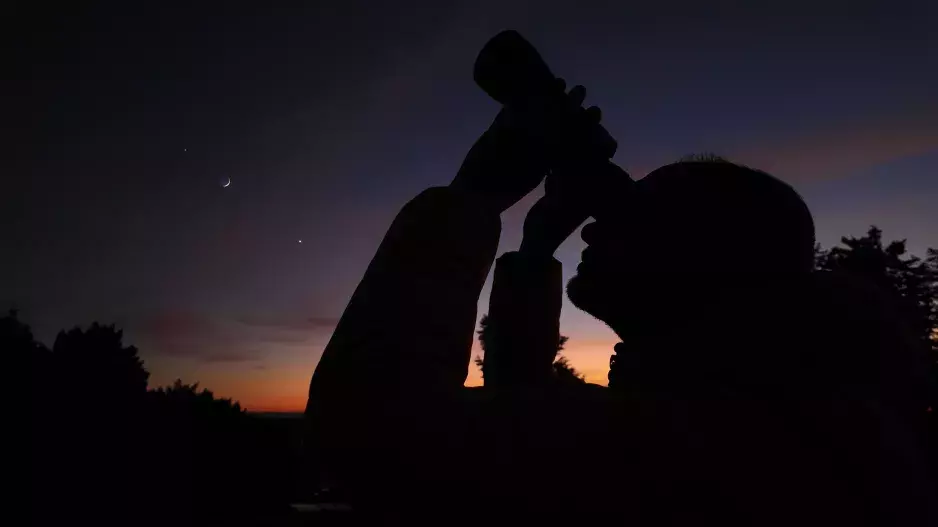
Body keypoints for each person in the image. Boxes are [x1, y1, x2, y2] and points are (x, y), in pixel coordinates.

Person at [305, 84, 937, 524]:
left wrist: (472, 198)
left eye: (637, 214)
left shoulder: (728, 445)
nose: (593, 228)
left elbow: (379, 440)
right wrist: (533, 252)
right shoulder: (782, 405)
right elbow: (523, 424)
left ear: (707, 254)